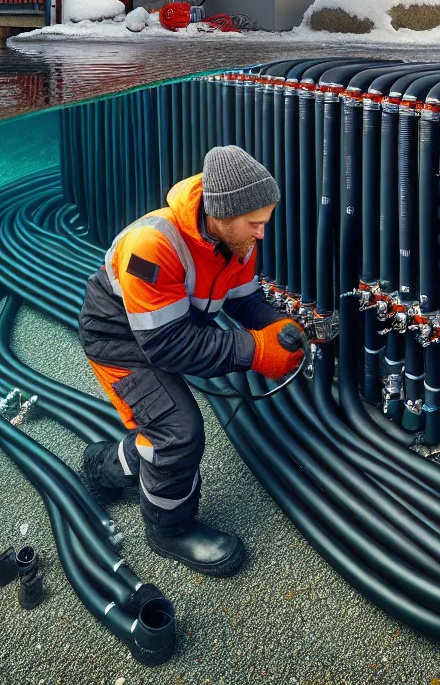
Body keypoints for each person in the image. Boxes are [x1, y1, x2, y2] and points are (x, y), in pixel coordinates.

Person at [77, 145, 308, 577]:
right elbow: (168, 347)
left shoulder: (232, 239)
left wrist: (279, 328)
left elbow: (245, 300)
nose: (263, 233)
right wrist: (257, 351)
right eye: (256, 223)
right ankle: (169, 530)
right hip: (120, 343)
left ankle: (106, 466)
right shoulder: (152, 245)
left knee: (169, 429)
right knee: (178, 432)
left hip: (164, 331)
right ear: (221, 213)